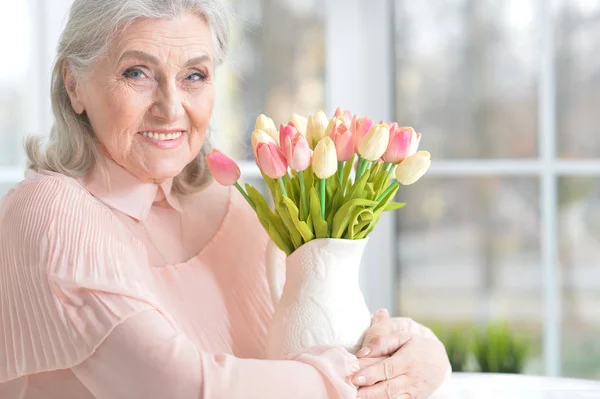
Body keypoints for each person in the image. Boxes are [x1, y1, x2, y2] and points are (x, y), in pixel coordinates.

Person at [0, 1, 450, 398]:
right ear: (74, 85)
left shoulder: (237, 209)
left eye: (194, 75)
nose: (171, 107)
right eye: (136, 72)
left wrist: (416, 350)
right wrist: (362, 384)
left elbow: (325, 338)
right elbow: (180, 388)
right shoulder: (46, 211)